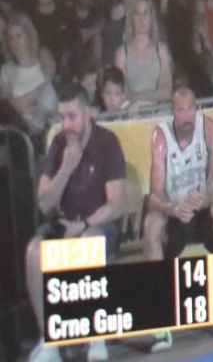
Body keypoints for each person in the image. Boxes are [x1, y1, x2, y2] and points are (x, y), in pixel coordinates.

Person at [24, 84, 127, 362]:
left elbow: (117, 203)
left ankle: (96, 337)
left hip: (98, 225)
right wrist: (67, 168)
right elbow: (44, 203)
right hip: (64, 222)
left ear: (88, 113)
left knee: (88, 242)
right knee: (34, 252)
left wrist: (82, 226)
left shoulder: (107, 142)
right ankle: (51, 339)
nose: (66, 124)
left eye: (72, 116)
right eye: (62, 117)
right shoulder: (58, 144)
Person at [142, 86, 213, 350]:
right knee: (151, 224)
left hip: (201, 211)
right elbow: (154, 195)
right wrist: (173, 208)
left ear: (197, 109)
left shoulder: (209, 129)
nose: (187, 116)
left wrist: (205, 200)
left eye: (190, 109)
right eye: (180, 110)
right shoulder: (160, 136)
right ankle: (159, 320)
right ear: (172, 112)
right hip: (176, 213)